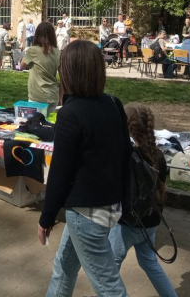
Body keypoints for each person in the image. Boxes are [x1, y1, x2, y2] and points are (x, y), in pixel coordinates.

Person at [38, 40, 130, 297]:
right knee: (63, 268)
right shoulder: (113, 103)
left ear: (68, 72)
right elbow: (125, 155)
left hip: (87, 214)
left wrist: (45, 219)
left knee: (108, 286)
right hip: (103, 207)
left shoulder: (72, 112)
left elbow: (59, 172)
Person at [108, 103, 177, 297]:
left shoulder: (126, 156)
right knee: (150, 263)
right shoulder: (158, 156)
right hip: (151, 221)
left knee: (109, 270)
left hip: (126, 223)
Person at [20, 22, 60, 113]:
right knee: (50, 125)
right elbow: (63, 77)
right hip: (53, 95)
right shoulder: (58, 52)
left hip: (37, 96)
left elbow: (21, 66)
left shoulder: (33, 50)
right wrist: (60, 96)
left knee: (35, 125)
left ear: (37, 35)